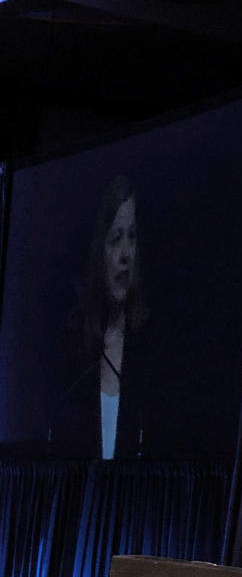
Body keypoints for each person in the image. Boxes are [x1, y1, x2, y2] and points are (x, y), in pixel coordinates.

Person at [47, 174, 148, 459]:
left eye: (132, 235)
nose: (126, 254)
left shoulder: (150, 347)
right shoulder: (72, 350)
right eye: (116, 239)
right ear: (96, 250)